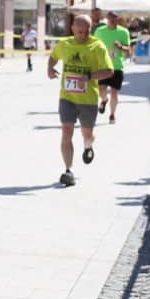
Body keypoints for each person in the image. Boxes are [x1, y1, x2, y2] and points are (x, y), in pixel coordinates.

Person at [48, 10, 115, 185]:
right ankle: (68, 171)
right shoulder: (65, 44)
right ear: (72, 29)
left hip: (88, 100)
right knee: (66, 132)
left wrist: (89, 77)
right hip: (67, 97)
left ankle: (88, 145)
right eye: (79, 32)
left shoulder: (97, 46)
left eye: (86, 31)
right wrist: (50, 68)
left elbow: (109, 70)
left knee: (87, 134)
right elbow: (53, 57)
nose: (83, 35)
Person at [91, 11, 132, 123]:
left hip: (117, 67)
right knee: (101, 89)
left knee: (114, 92)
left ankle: (112, 114)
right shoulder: (99, 31)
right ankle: (104, 100)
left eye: (114, 17)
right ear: (107, 18)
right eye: (110, 17)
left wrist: (121, 47)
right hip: (103, 66)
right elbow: (93, 46)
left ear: (118, 18)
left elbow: (129, 51)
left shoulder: (123, 32)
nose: (112, 19)